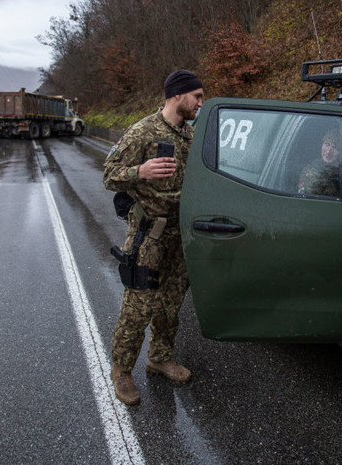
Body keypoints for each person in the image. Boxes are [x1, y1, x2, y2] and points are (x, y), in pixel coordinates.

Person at [102, 69, 204, 406]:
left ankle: (159, 358)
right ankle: (121, 371)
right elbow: (109, 175)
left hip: (180, 235)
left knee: (170, 304)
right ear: (177, 95)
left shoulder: (189, 135)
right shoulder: (142, 131)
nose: (201, 103)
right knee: (138, 306)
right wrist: (140, 171)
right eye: (197, 96)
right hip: (150, 235)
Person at [297, 127, 342, 196]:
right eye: (327, 144)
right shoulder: (311, 171)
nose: (329, 151)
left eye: (335, 147)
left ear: (341, 152)